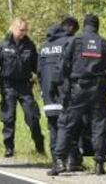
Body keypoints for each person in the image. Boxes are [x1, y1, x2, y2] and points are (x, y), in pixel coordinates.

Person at [51, 14, 106, 175]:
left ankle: (59, 162)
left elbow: (61, 67)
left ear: (84, 26)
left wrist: (57, 88)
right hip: (99, 90)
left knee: (66, 124)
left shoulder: (74, 42)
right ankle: (99, 163)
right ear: (97, 27)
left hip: (78, 89)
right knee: (98, 125)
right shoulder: (105, 44)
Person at [0, 18, 44, 157]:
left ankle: (40, 148)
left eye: (26, 30)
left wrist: (44, 81)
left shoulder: (29, 45)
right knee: (8, 118)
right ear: (13, 28)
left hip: (24, 87)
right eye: (21, 30)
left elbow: (37, 67)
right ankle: (9, 147)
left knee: (33, 117)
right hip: (7, 86)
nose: (24, 33)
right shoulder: (2, 45)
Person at [38, 17, 83, 175]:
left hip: (48, 94)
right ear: (69, 27)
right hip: (66, 91)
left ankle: (56, 162)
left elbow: (39, 71)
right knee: (69, 127)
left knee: (53, 127)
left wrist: (43, 89)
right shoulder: (70, 42)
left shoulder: (44, 47)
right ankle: (72, 161)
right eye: (75, 29)